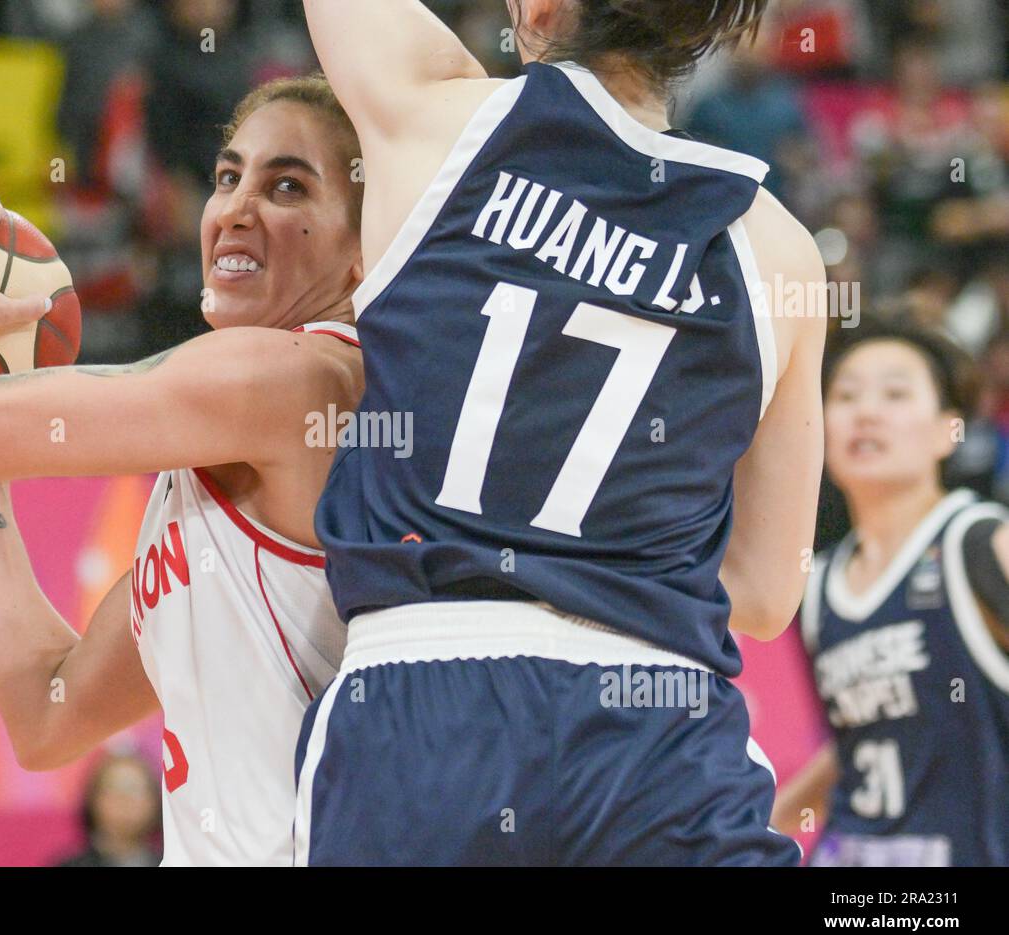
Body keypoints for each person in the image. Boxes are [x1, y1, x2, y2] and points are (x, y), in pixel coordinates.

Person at [294, 0, 827, 864]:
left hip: (427, 703)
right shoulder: (780, 250)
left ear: (537, 9)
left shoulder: (437, 116)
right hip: (659, 728)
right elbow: (767, 593)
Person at [0, 75, 365, 865]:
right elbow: (47, 716)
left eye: (287, 185)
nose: (235, 210)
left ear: (365, 244)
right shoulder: (216, 466)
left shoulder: (297, 380)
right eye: (227, 177)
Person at [772, 322, 1009, 866]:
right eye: (846, 395)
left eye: (896, 393)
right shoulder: (818, 586)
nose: (866, 412)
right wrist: (771, 816)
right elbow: (861, 740)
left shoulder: (978, 542)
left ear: (948, 430)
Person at [55, 751, 162, 867]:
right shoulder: (69, 865)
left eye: (135, 788)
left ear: (154, 801)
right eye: (115, 787)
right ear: (94, 799)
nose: (125, 798)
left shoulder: (174, 861)